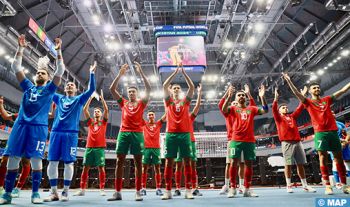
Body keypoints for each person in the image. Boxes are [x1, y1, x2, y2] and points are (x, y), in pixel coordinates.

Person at [0, 35, 64, 205]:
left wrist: (58, 52)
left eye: (42, 72)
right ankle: (7, 193)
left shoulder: (50, 90)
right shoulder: (28, 87)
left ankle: (35, 193)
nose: (39, 73)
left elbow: (60, 71)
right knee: (12, 159)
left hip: (38, 129)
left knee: (36, 161)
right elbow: (15, 66)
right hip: (20, 126)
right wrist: (20, 48)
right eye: (37, 72)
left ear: (48, 78)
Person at [282, 72, 350, 194]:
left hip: (333, 132)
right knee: (322, 158)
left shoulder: (327, 100)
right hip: (320, 133)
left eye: (318, 87)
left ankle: (345, 185)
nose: (317, 89)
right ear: (310, 91)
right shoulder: (308, 102)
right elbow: (296, 93)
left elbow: (342, 90)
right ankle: (328, 186)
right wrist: (289, 81)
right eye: (314, 88)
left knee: (339, 158)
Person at [44, 61, 96, 202]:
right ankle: (54, 192)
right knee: (52, 162)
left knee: (69, 163)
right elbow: (49, 90)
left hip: (71, 134)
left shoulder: (79, 100)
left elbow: (91, 90)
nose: (69, 85)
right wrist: (48, 74)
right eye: (67, 84)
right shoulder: (59, 98)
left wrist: (91, 73)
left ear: (75, 90)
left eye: (72, 85)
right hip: (55, 132)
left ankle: (66, 191)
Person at [108, 62, 151, 201]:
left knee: (138, 162)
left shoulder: (141, 103)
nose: (131, 93)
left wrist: (141, 74)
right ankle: (117, 192)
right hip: (124, 133)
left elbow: (149, 88)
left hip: (137, 134)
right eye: (129, 91)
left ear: (137, 93)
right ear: (128, 93)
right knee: (119, 161)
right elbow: (112, 89)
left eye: (133, 91)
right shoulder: (123, 103)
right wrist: (120, 75)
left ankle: (138, 191)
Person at [222, 85, 268, 198]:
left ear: (246, 98)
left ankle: (247, 189)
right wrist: (228, 96)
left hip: (249, 141)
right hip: (235, 140)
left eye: (243, 95)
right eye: (239, 95)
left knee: (249, 164)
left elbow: (265, 110)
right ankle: (232, 188)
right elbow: (223, 109)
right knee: (233, 163)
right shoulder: (233, 109)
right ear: (236, 98)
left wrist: (262, 97)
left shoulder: (251, 109)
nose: (241, 96)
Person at [272, 87, 316, 193]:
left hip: (298, 142)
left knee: (300, 164)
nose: (285, 108)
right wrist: (276, 98)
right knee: (288, 165)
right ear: (279, 110)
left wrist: (303, 95)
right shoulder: (278, 118)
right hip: (286, 143)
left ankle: (305, 185)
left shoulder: (292, 117)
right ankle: (288, 185)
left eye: (286, 107)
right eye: (283, 107)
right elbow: (274, 109)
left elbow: (300, 108)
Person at [161, 63, 195, 200]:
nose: (175, 89)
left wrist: (184, 73)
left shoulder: (185, 102)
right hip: (171, 134)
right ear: (171, 91)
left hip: (185, 134)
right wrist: (175, 73)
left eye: (178, 88)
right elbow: (164, 86)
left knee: (187, 162)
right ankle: (168, 190)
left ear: (180, 91)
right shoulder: (168, 102)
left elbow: (192, 87)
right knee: (169, 162)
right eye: (174, 88)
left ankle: (188, 190)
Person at [74, 91, 109, 196]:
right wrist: (90, 97)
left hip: (99, 148)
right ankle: (82, 189)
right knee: (85, 168)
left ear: (101, 114)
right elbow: (85, 109)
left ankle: (102, 189)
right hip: (89, 147)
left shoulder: (104, 123)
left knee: (101, 168)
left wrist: (102, 99)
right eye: (95, 111)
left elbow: (106, 109)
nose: (96, 112)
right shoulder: (90, 123)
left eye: (98, 111)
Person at [174, 84, 202, 197]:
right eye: (174, 88)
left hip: (190, 141)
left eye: (178, 88)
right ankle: (177, 188)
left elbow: (197, 106)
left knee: (192, 165)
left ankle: (194, 187)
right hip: (179, 140)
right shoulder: (174, 113)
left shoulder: (190, 117)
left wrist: (199, 94)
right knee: (178, 165)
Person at [140, 111, 166, 196]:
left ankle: (158, 188)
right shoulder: (144, 124)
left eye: (152, 114)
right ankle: (143, 188)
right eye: (149, 115)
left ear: (154, 116)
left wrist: (169, 108)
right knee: (144, 168)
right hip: (146, 148)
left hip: (156, 148)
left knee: (157, 168)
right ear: (147, 116)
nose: (151, 116)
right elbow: (138, 115)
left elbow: (165, 116)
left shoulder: (158, 123)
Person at [330, 111, 350, 189]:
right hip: (334, 146)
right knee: (335, 162)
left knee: (348, 161)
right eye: (331, 113)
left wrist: (346, 141)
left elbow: (347, 134)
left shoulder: (340, 124)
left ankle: (348, 181)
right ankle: (338, 183)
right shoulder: (326, 125)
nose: (333, 114)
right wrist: (340, 141)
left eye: (333, 113)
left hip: (344, 146)